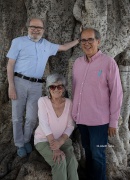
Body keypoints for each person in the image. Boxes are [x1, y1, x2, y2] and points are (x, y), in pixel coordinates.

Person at [6, 18, 79, 158]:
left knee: (32, 118)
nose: (35, 29)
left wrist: (78, 40)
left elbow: (63, 47)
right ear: (27, 27)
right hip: (19, 82)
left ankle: (27, 140)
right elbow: (10, 64)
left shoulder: (46, 44)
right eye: (33, 27)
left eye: (39, 28)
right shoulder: (18, 42)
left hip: (37, 85)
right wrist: (11, 86)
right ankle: (19, 144)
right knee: (17, 117)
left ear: (43, 30)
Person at [72, 28, 123, 180]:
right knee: (87, 152)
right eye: (83, 40)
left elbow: (116, 93)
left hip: (99, 122)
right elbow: (75, 89)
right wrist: (74, 113)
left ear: (98, 41)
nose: (87, 43)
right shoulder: (77, 63)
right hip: (81, 120)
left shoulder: (108, 62)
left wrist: (113, 121)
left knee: (98, 155)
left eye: (90, 40)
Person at [34, 73, 79, 180]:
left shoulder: (69, 103)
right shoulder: (42, 101)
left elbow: (70, 125)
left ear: (63, 88)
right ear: (48, 88)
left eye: (59, 86)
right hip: (44, 140)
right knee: (59, 161)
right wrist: (55, 147)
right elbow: (44, 124)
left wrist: (60, 142)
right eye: (52, 86)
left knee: (72, 162)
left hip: (63, 140)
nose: (56, 89)